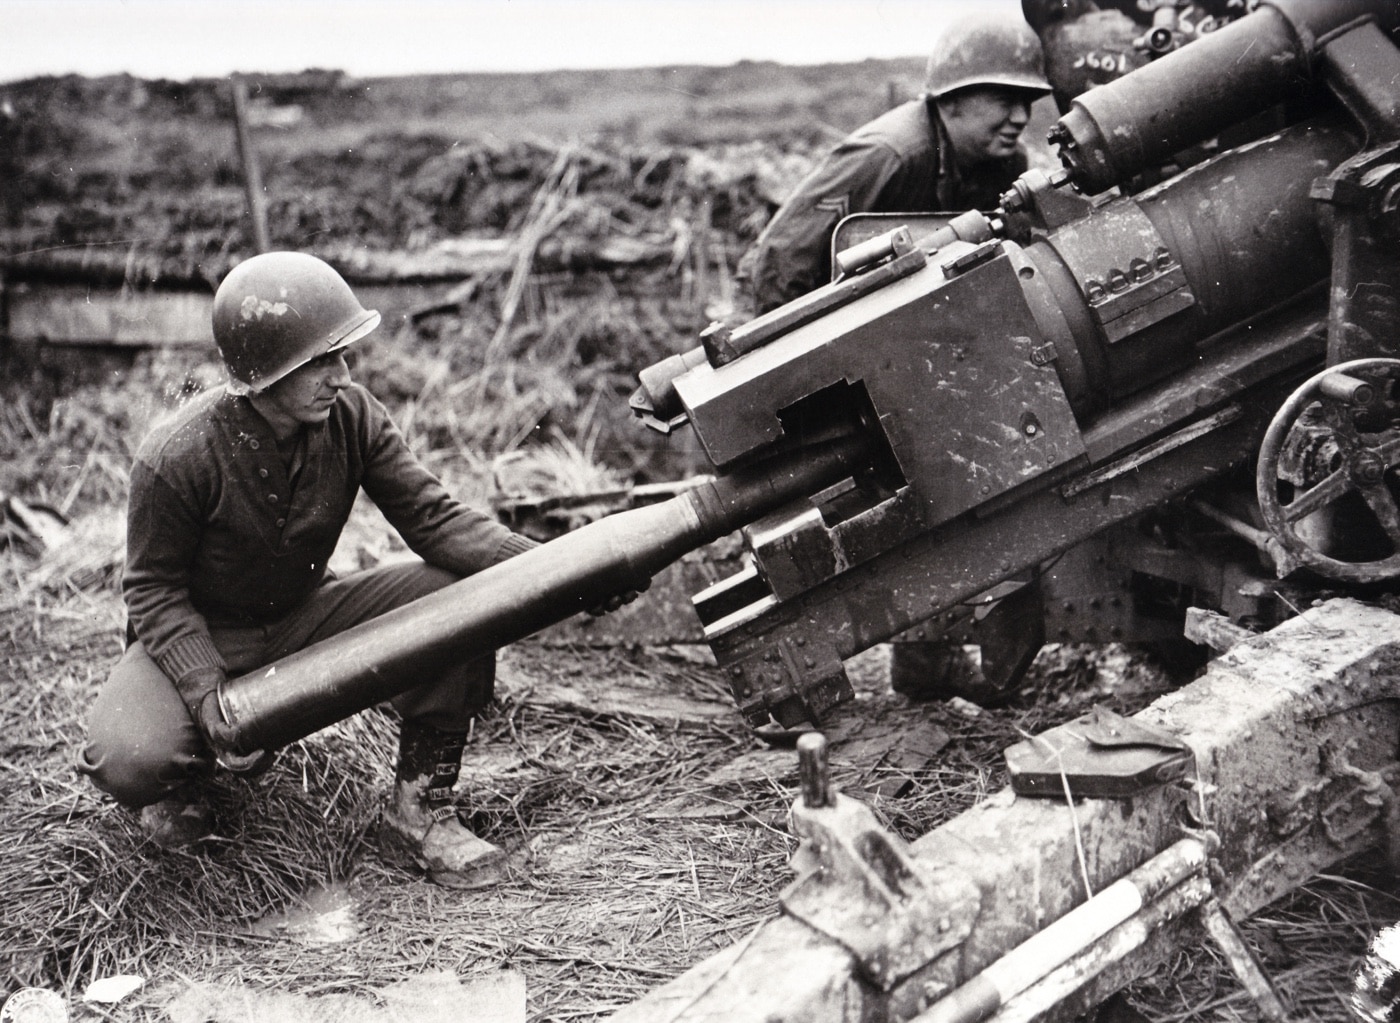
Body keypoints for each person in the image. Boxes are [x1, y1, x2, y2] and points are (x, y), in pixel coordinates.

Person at [79, 251, 626, 888]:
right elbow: (153, 593)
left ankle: (420, 810)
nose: (342, 375)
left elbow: (436, 520)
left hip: (307, 615)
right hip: (205, 634)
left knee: (465, 600)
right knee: (128, 756)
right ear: (265, 374)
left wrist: (561, 570)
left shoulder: (352, 416)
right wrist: (208, 697)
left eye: (345, 355)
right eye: (322, 361)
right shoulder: (177, 457)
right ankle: (182, 795)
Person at [737, 11, 1052, 316]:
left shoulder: (1008, 162)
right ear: (953, 98)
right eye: (1006, 101)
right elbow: (779, 262)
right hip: (794, 308)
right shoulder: (888, 156)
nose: (1022, 117)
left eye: (1027, 102)